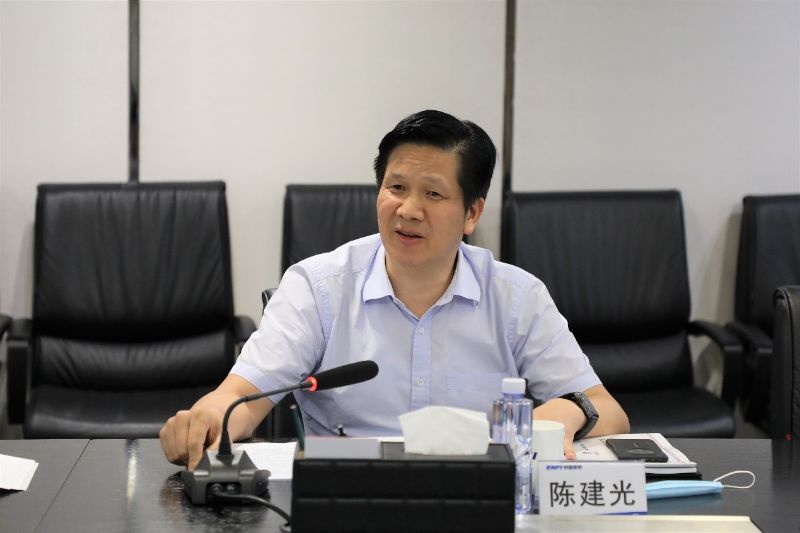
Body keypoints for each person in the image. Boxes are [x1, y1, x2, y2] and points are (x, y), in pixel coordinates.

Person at [160, 109, 629, 470]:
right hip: (344, 498)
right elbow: (240, 399)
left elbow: (610, 412)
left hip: (475, 500)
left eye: (433, 193)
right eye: (396, 187)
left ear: (472, 213)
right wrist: (206, 419)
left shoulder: (516, 298)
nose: (408, 210)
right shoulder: (318, 288)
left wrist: (571, 410)